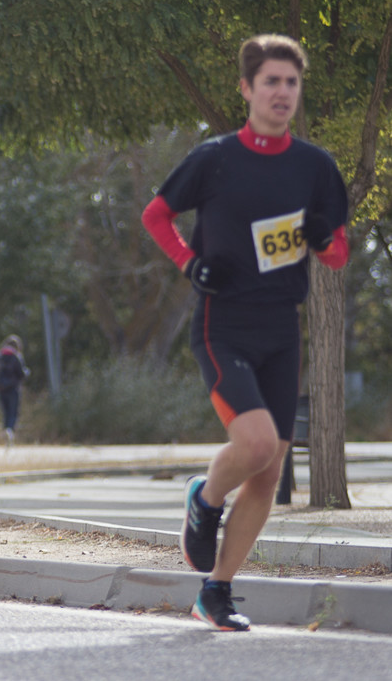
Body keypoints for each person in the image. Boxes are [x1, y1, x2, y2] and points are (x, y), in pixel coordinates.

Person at [141, 34, 349, 631]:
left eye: (291, 82)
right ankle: (205, 498)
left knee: (268, 470)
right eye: (271, 82)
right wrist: (190, 263)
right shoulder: (215, 158)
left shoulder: (316, 167)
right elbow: (157, 215)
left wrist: (321, 239)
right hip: (223, 323)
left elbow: (337, 255)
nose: (282, 92)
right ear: (247, 89)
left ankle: (217, 590)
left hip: (282, 328)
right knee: (256, 444)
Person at [0, 335, 28, 445]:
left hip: (0, 389)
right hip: (13, 389)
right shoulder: (17, 356)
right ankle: (10, 431)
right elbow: (21, 373)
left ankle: (5, 432)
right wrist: (27, 373)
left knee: (6, 412)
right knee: (13, 413)